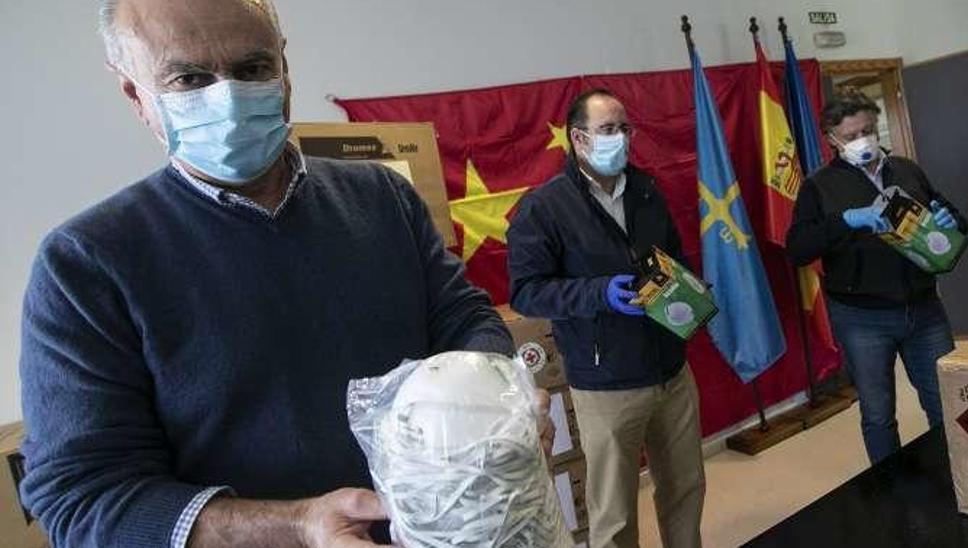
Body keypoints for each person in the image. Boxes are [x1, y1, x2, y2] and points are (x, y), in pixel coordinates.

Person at [18, 1, 545, 546]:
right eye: (189, 78)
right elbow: (84, 497)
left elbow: (462, 315)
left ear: (284, 70)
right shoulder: (84, 264)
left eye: (252, 69)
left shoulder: (381, 197)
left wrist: (498, 396)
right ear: (135, 95)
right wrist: (296, 525)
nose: (227, 96)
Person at [506, 89, 706, 548]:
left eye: (625, 128)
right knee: (614, 511)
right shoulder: (545, 207)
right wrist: (598, 293)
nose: (621, 138)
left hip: (670, 370)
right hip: (606, 383)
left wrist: (688, 288)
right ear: (579, 138)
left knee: (685, 489)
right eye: (608, 129)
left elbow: (671, 256)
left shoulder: (646, 189)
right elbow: (526, 292)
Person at [786, 95, 968, 464]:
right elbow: (798, 248)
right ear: (832, 140)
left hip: (923, 308)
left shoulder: (906, 169)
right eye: (850, 135)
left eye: (868, 130)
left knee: (945, 400)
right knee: (878, 413)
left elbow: (949, 215)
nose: (862, 140)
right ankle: (891, 489)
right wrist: (846, 221)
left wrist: (954, 221)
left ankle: (958, 477)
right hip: (861, 318)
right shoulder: (818, 186)